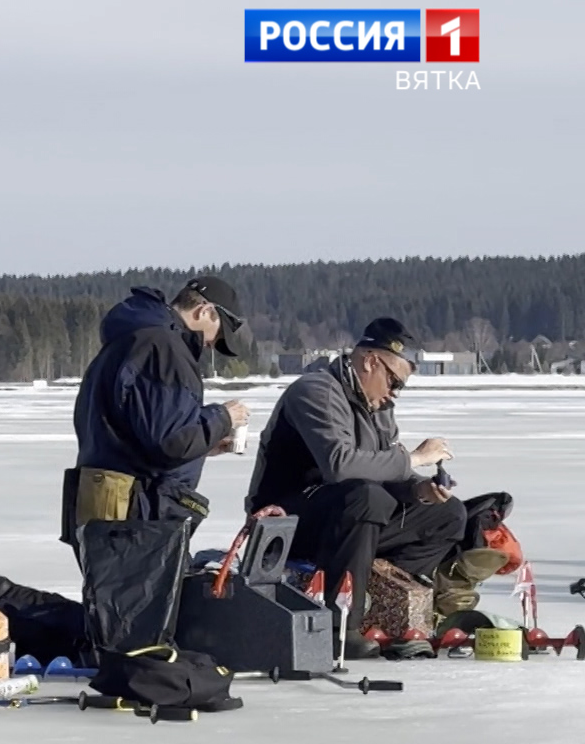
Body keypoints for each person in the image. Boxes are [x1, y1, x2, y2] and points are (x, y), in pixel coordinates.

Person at [245, 318, 463, 658]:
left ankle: (387, 597)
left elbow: (385, 468)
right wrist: (415, 457)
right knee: (365, 497)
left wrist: (419, 491)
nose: (395, 393)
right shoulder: (315, 391)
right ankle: (338, 626)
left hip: (350, 519)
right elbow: (340, 465)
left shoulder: (380, 408)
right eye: (394, 382)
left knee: (449, 514)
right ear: (370, 361)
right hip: (286, 519)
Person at [67, 276, 250, 541]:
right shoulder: (164, 348)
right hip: (135, 513)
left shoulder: (137, 338)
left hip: (108, 500)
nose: (211, 344)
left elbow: (144, 433)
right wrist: (223, 417)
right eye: (218, 333)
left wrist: (204, 445)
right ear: (204, 311)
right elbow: (169, 442)